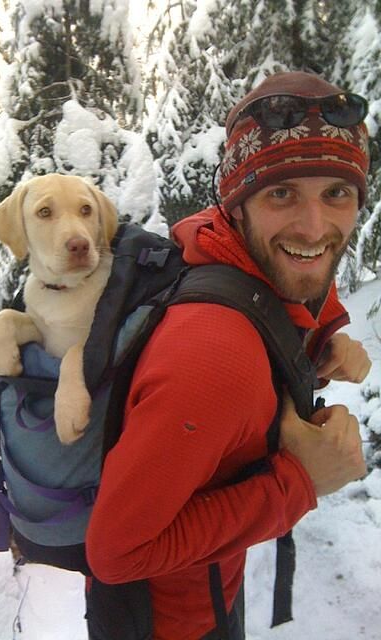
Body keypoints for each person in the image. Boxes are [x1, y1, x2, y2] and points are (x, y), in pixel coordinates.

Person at [85, 71, 372, 640]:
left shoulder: (220, 249)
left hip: (209, 584)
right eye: (282, 193)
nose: (315, 227)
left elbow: (287, 283)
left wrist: (321, 342)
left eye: (336, 193)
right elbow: (116, 554)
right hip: (172, 623)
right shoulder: (213, 361)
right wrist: (300, 481)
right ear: (238, 205)